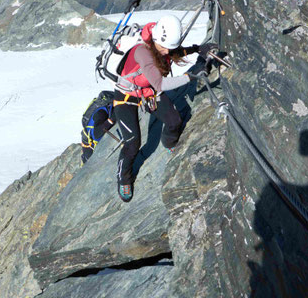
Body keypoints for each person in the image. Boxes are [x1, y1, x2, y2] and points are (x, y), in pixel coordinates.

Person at [113, 14, 217, 202]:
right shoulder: (143, 52)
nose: (167, 52)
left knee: (174, 120)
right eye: (165, 48)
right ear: (156, 41)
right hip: (126, 96)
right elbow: (160, 84)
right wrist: (191, 78)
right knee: (132, 142)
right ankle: (123, 178)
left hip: (147, 92)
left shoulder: (161, 46)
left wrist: (197, 49)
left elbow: (174, 52)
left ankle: (169, 143)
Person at [81, 91, 116, 165]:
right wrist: (111, 121)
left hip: (88, 137)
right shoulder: (101, 113)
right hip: (89, 143)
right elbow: (96, 135)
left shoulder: (106, 109)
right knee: (89, 166)